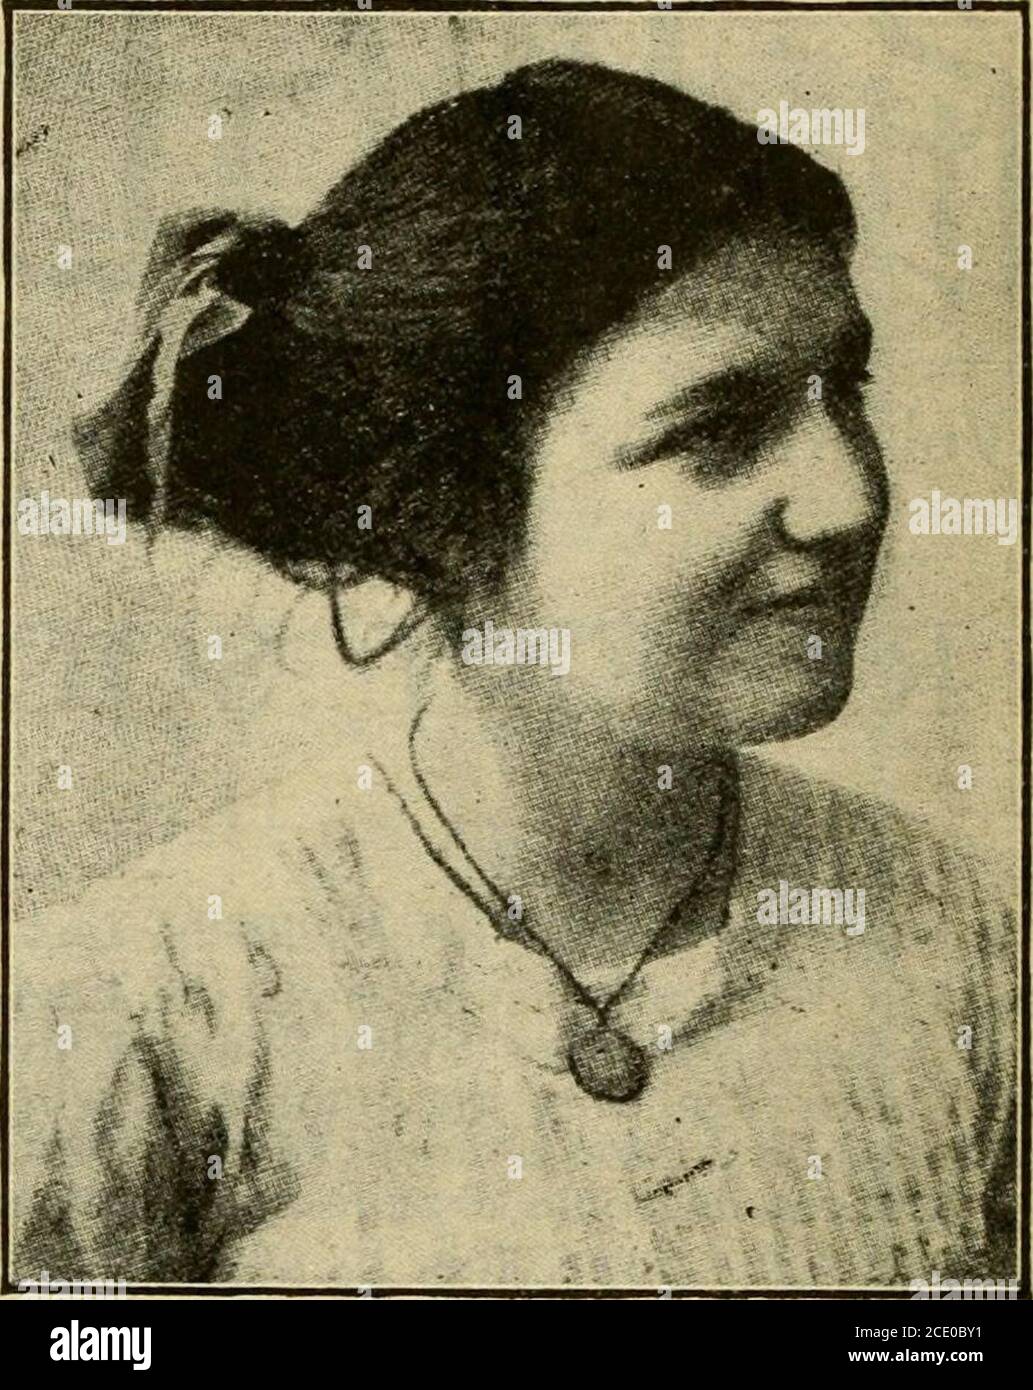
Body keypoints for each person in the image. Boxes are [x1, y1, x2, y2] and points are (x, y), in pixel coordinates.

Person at [14, 58, 1015, 1288]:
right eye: (713, 430)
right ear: (444, 512)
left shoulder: (949, 930)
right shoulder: (152, 1013)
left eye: (842, 390)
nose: (849, 497)